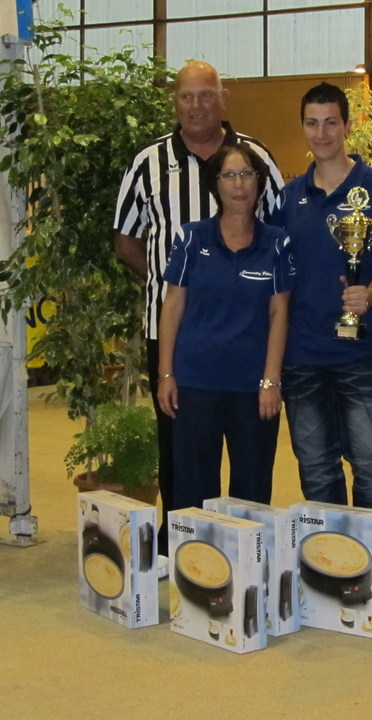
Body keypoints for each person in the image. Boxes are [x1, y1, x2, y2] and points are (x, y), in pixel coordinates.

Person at [114, 60, 283, 555]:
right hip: (169, 335)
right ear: (175, 102)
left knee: (250, 448)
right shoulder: (147, 162)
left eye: (206, 95)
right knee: (179, 451)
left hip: (247, 338)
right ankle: (182, 546)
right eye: (187, 96)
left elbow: (278, 238)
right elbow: (125, 238)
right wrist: (175, 286)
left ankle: (247, 551)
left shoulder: (257, 159)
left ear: (223, 99)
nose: (196, 106)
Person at [272, 82, 372, 511]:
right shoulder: (287, 200)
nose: (322, 133)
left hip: (361, 355)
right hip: (303, 358)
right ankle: (330, 575)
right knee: (317, 471)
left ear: (347, 124)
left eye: (331, 122)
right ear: (303, 127)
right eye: (312, 123)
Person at [156, 144, 292, 508]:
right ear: (215, 185)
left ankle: (247, 566)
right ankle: (194, 565)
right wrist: (166, 375)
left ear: (259, 183)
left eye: (247, 174)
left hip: (253, 389)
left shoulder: (277, 243)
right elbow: (172, 307)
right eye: (229, 176)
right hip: (195, 383)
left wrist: (271, 381)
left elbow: (280, 313)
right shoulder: (191, 238)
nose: (239, 184)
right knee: (192, 491)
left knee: (252, 490)